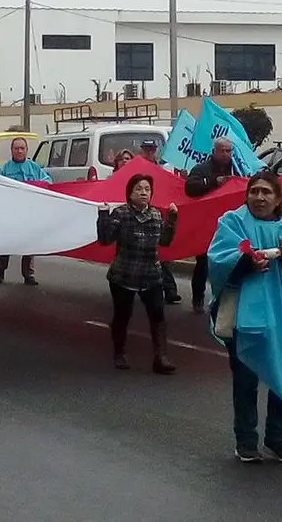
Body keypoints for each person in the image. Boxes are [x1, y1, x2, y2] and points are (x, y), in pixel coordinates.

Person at [207, 171, 282, 464]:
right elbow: (218, 260)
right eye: (254, 191)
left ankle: (277, 438)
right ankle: (246, 440)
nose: (259, 198)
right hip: (244, 316)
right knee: (245, 378)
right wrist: (246, 263)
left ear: (278, 198)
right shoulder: (232, 222)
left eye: (266, 192)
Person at [97, 174, 179, 373]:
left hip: (151, 275)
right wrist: (103, 215)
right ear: (130, 193)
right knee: (122, 316)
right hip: (124, 275)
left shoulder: (157, 215)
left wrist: (172, 219)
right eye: (139, 189)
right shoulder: (121, 214)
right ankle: (119, 352)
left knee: (158, 315)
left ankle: (161, 357)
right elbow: (105, 239)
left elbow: (165, 242)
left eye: (147, 189)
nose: (144, 193)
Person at [184, 137, 235, 314]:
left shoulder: (236, 167)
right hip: (206, 224)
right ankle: (198, 298)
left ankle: (225, 299)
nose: (227, 154)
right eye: (223, 151)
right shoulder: (201, 169)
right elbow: (190, 188)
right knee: (203, 262)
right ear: (214, 151)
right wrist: (213, 182)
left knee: (230, 261)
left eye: (229, 151)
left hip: (229, 223)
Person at [0, 137, 51, 286]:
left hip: (28, 214)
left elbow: (48, 181)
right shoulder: (5, 168)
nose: (19, 151)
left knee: (28, 244)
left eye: (22, 148)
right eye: (16, 148)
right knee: (7, 243)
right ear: (11, 150)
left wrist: (40, 185)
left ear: (26, 150)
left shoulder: (34, 167)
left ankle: (28, 274)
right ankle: (1, 269)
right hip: (11, 213)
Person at [137, 139, 182, 304]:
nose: (150, 152)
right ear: (142, 150)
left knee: (160, 254)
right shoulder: (136, 169)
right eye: (147, 149)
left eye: (152, 149)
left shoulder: (163, 169)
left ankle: (169, 290)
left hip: (158, 214)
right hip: (139, 216)